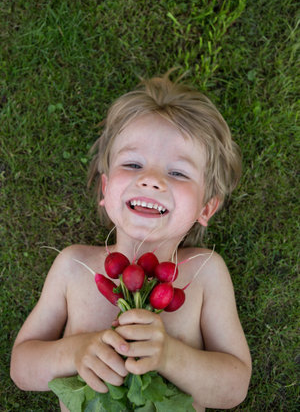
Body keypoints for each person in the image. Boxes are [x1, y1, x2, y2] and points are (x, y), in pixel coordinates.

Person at [10, 72, 252, 411]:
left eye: (178, 172)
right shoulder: (72, 265)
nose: (150, 180)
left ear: (206, 207)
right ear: (106, 188)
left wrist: (169, 355)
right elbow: (21, 367)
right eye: (133, 164)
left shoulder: (205, 272)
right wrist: (75, 352)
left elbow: (234, 388)